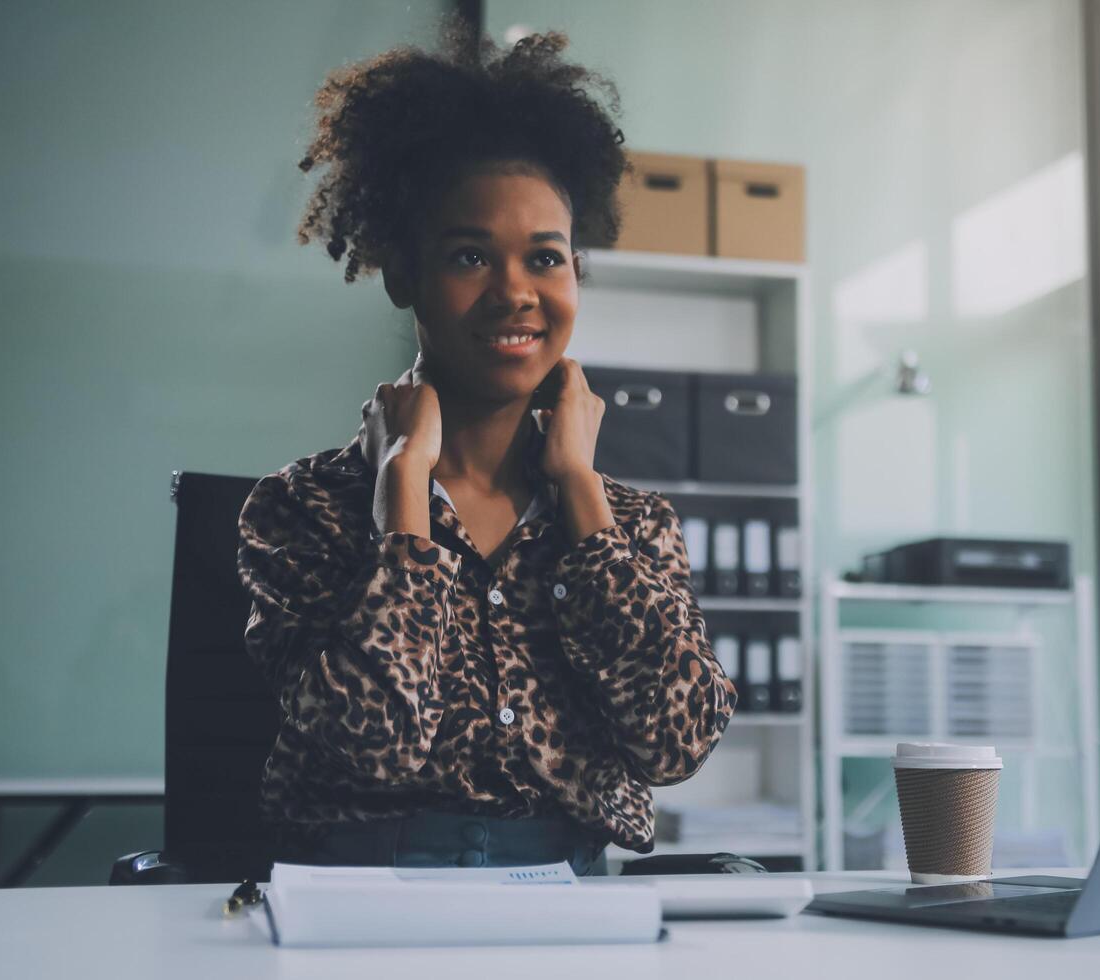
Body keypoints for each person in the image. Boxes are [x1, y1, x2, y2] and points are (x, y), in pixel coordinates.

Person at [236, 20, 737, 878]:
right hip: (363, 902)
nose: (515, 293)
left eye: (545, 259)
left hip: (575, 910)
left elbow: (676, 742)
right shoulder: (303, 506)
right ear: (404, 274)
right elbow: (373, 747)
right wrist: (403, 499)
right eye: (471, 255)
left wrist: (581, 491)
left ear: (575, 274)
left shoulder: (633, 523)